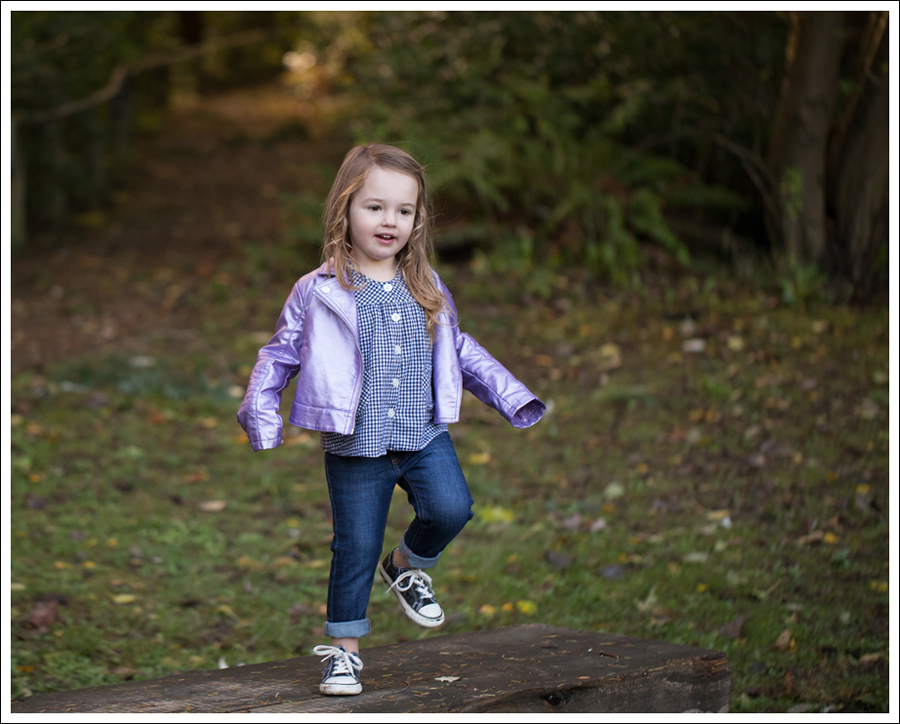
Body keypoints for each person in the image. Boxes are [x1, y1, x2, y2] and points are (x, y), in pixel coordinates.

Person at [237, 144, 545, 696]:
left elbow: (461, 350)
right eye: (375, 207)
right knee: (354, 545)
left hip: (422, 432)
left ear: (417, 220)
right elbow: (280, 352)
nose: (390, 221)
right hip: (355, 441)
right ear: (345, 210)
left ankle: (403, 564)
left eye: (404, 211)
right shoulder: (320, 289)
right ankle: (344, 652)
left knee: (452, 507)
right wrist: (262, 414)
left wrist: (510, 394)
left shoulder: (425, 284)